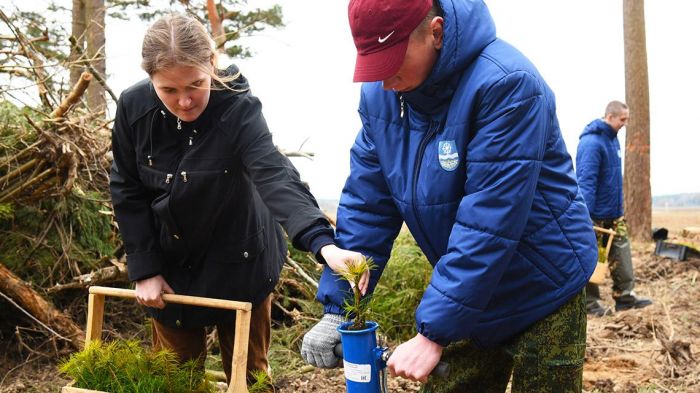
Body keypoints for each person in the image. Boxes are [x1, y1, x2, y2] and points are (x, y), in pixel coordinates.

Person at [300, 0, 598, 391]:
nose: (384, 80)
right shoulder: (382, 96)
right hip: (467, 286)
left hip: (542, 282)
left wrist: (433, 334)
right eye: (374, 63)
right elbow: (368, 204)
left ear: (436, 32)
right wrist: (338, 308)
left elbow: (489, 219)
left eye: (392, 61)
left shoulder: (507, 84)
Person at [109, 14, 355, 385]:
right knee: (174, 378)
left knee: (249, 375)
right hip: (172, 263)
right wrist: (144, 269)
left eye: (196, 84)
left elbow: (273, 173)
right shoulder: (134, 108)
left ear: (212, 64)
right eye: (168, 91)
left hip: (241, 259)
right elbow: (127, 187)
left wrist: (322, 244)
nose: (185, 101)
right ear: (150, 81)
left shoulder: (238, 107)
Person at [576, 101, 653, 317]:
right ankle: (590, 303)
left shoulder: (612, 140)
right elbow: (586, 181)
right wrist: (585, 216)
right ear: (610, 116)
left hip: (614, 213)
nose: (625, 123)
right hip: (595, 215)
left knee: (622, 253)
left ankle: (625, 297)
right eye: (622, 119)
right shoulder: (591, 143)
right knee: (594, 259)